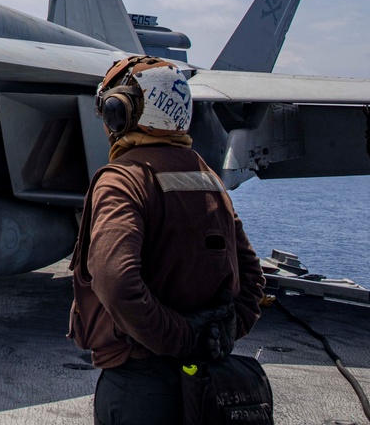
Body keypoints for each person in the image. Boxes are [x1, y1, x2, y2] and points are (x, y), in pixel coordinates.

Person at [68, 55, 265, 425]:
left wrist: (183, 338)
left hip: (140, 386)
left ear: (121, 112)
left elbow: (116, 283)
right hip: (203, 383)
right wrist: (218, 334)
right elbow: (252, 280)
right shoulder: (207, 176)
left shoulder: (123, 180)